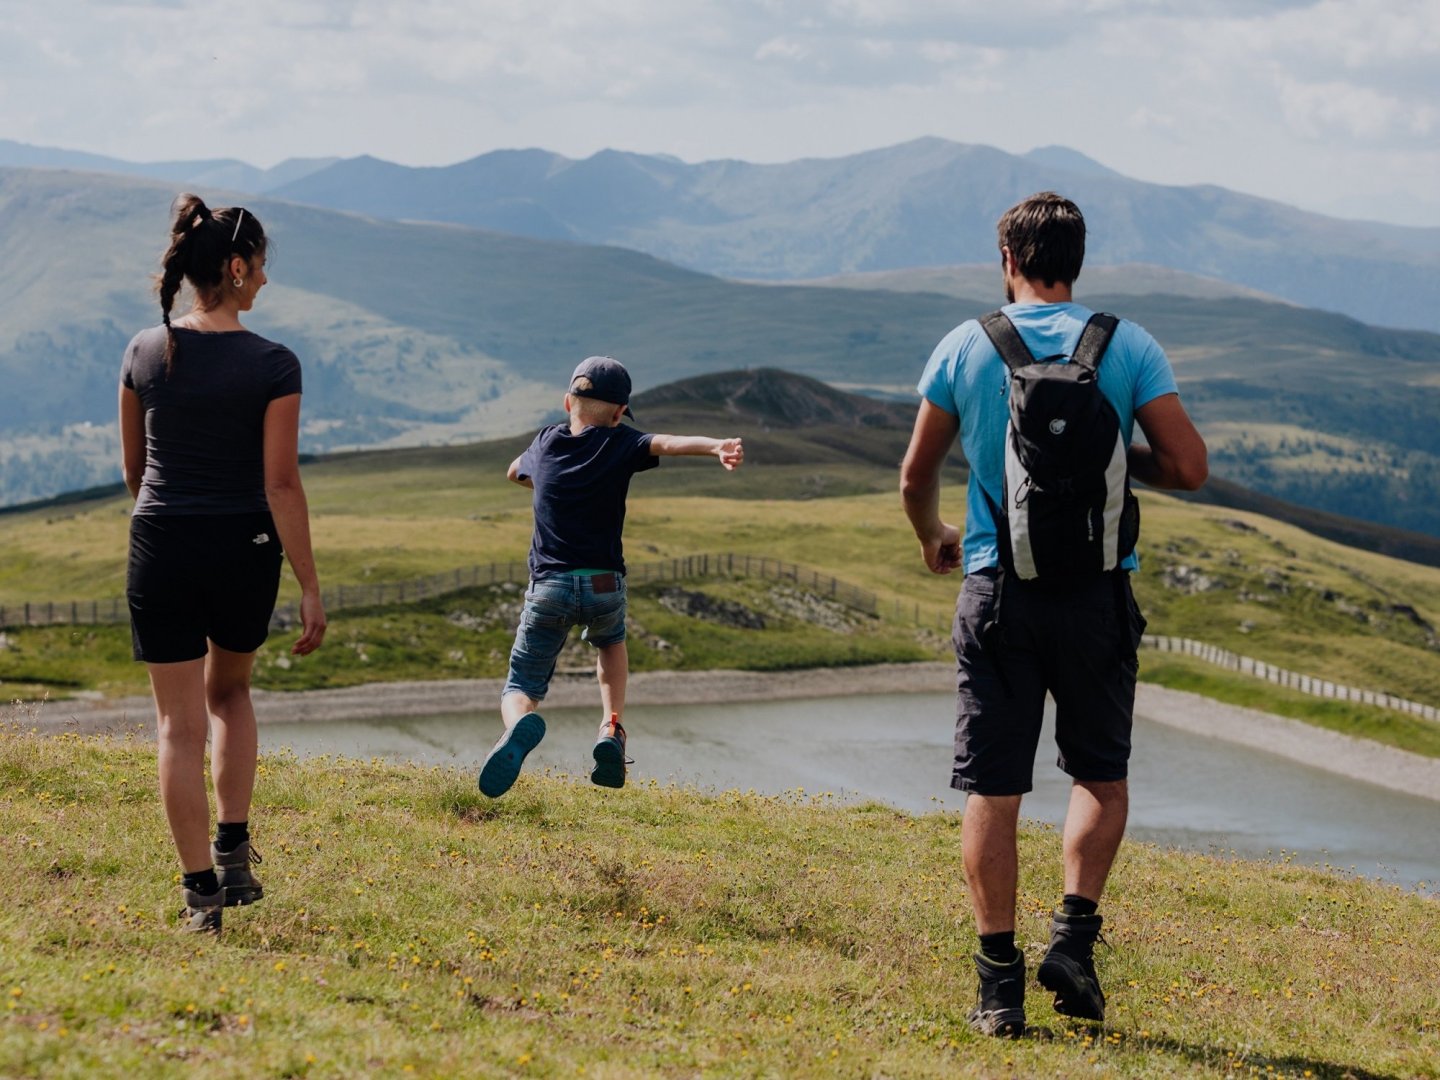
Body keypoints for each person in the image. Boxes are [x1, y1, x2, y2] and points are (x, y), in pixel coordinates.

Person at [899, 192, 1207, 1037]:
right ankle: (1072, 938)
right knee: (1100, 776)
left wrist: (935, 536)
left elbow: (914, 475)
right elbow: (1188, 467)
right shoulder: (1126, 343)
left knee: (993, 788)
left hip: (999, 591)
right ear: (1077, 259)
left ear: (1007, 259)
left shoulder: (967, 345)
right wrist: (1111, 449)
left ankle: (998, 988)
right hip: (1098, 595)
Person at [119, 194, 327, 934]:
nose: (265, 281)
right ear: (236, 268)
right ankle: (234, 847)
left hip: (162, 541)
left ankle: (201, 897)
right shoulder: (273, 362)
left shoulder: (145, 350)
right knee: (230, 695)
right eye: (262, 267)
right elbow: (280, 483)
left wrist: (170, 525)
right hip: (244, 545)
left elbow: (135, 472)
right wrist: (308, 584)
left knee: (176, 726)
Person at [478, 356, 744, 798]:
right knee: (610, 644)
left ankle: (519, 724)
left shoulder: (545, 443)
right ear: (620, 413)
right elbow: (670, 442)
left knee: (522, 681)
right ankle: (611, 727)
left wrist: (546, 482)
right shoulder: (621, 444)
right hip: (603, 583)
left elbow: (512, 471)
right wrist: (717, 445)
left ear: (567, 403)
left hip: (550, 585)